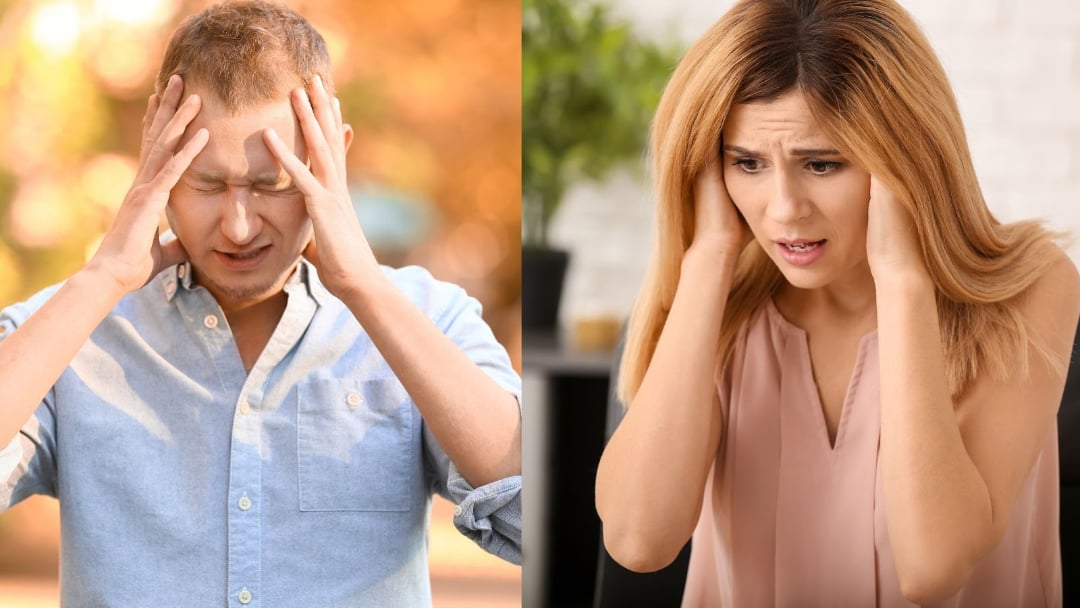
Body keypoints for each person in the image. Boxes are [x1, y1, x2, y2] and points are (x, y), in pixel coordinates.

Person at [0, 1, 521, 606]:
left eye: (273, 184)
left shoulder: (428, 318)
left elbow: (529, 512)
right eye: (208, 184)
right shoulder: (69, 330)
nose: (239, 226)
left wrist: (363, 285)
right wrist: (104, 277)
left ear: (333, 158)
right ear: (158, 161)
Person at [594, 0, 1079, 606]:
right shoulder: (716, 299)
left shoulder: (1033, 286)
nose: (784, 209)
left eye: (822, 164)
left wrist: (903, 281)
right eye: (747, 163)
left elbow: (933, 569)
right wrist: (710, 255)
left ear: (906, 157)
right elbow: (639, 540)